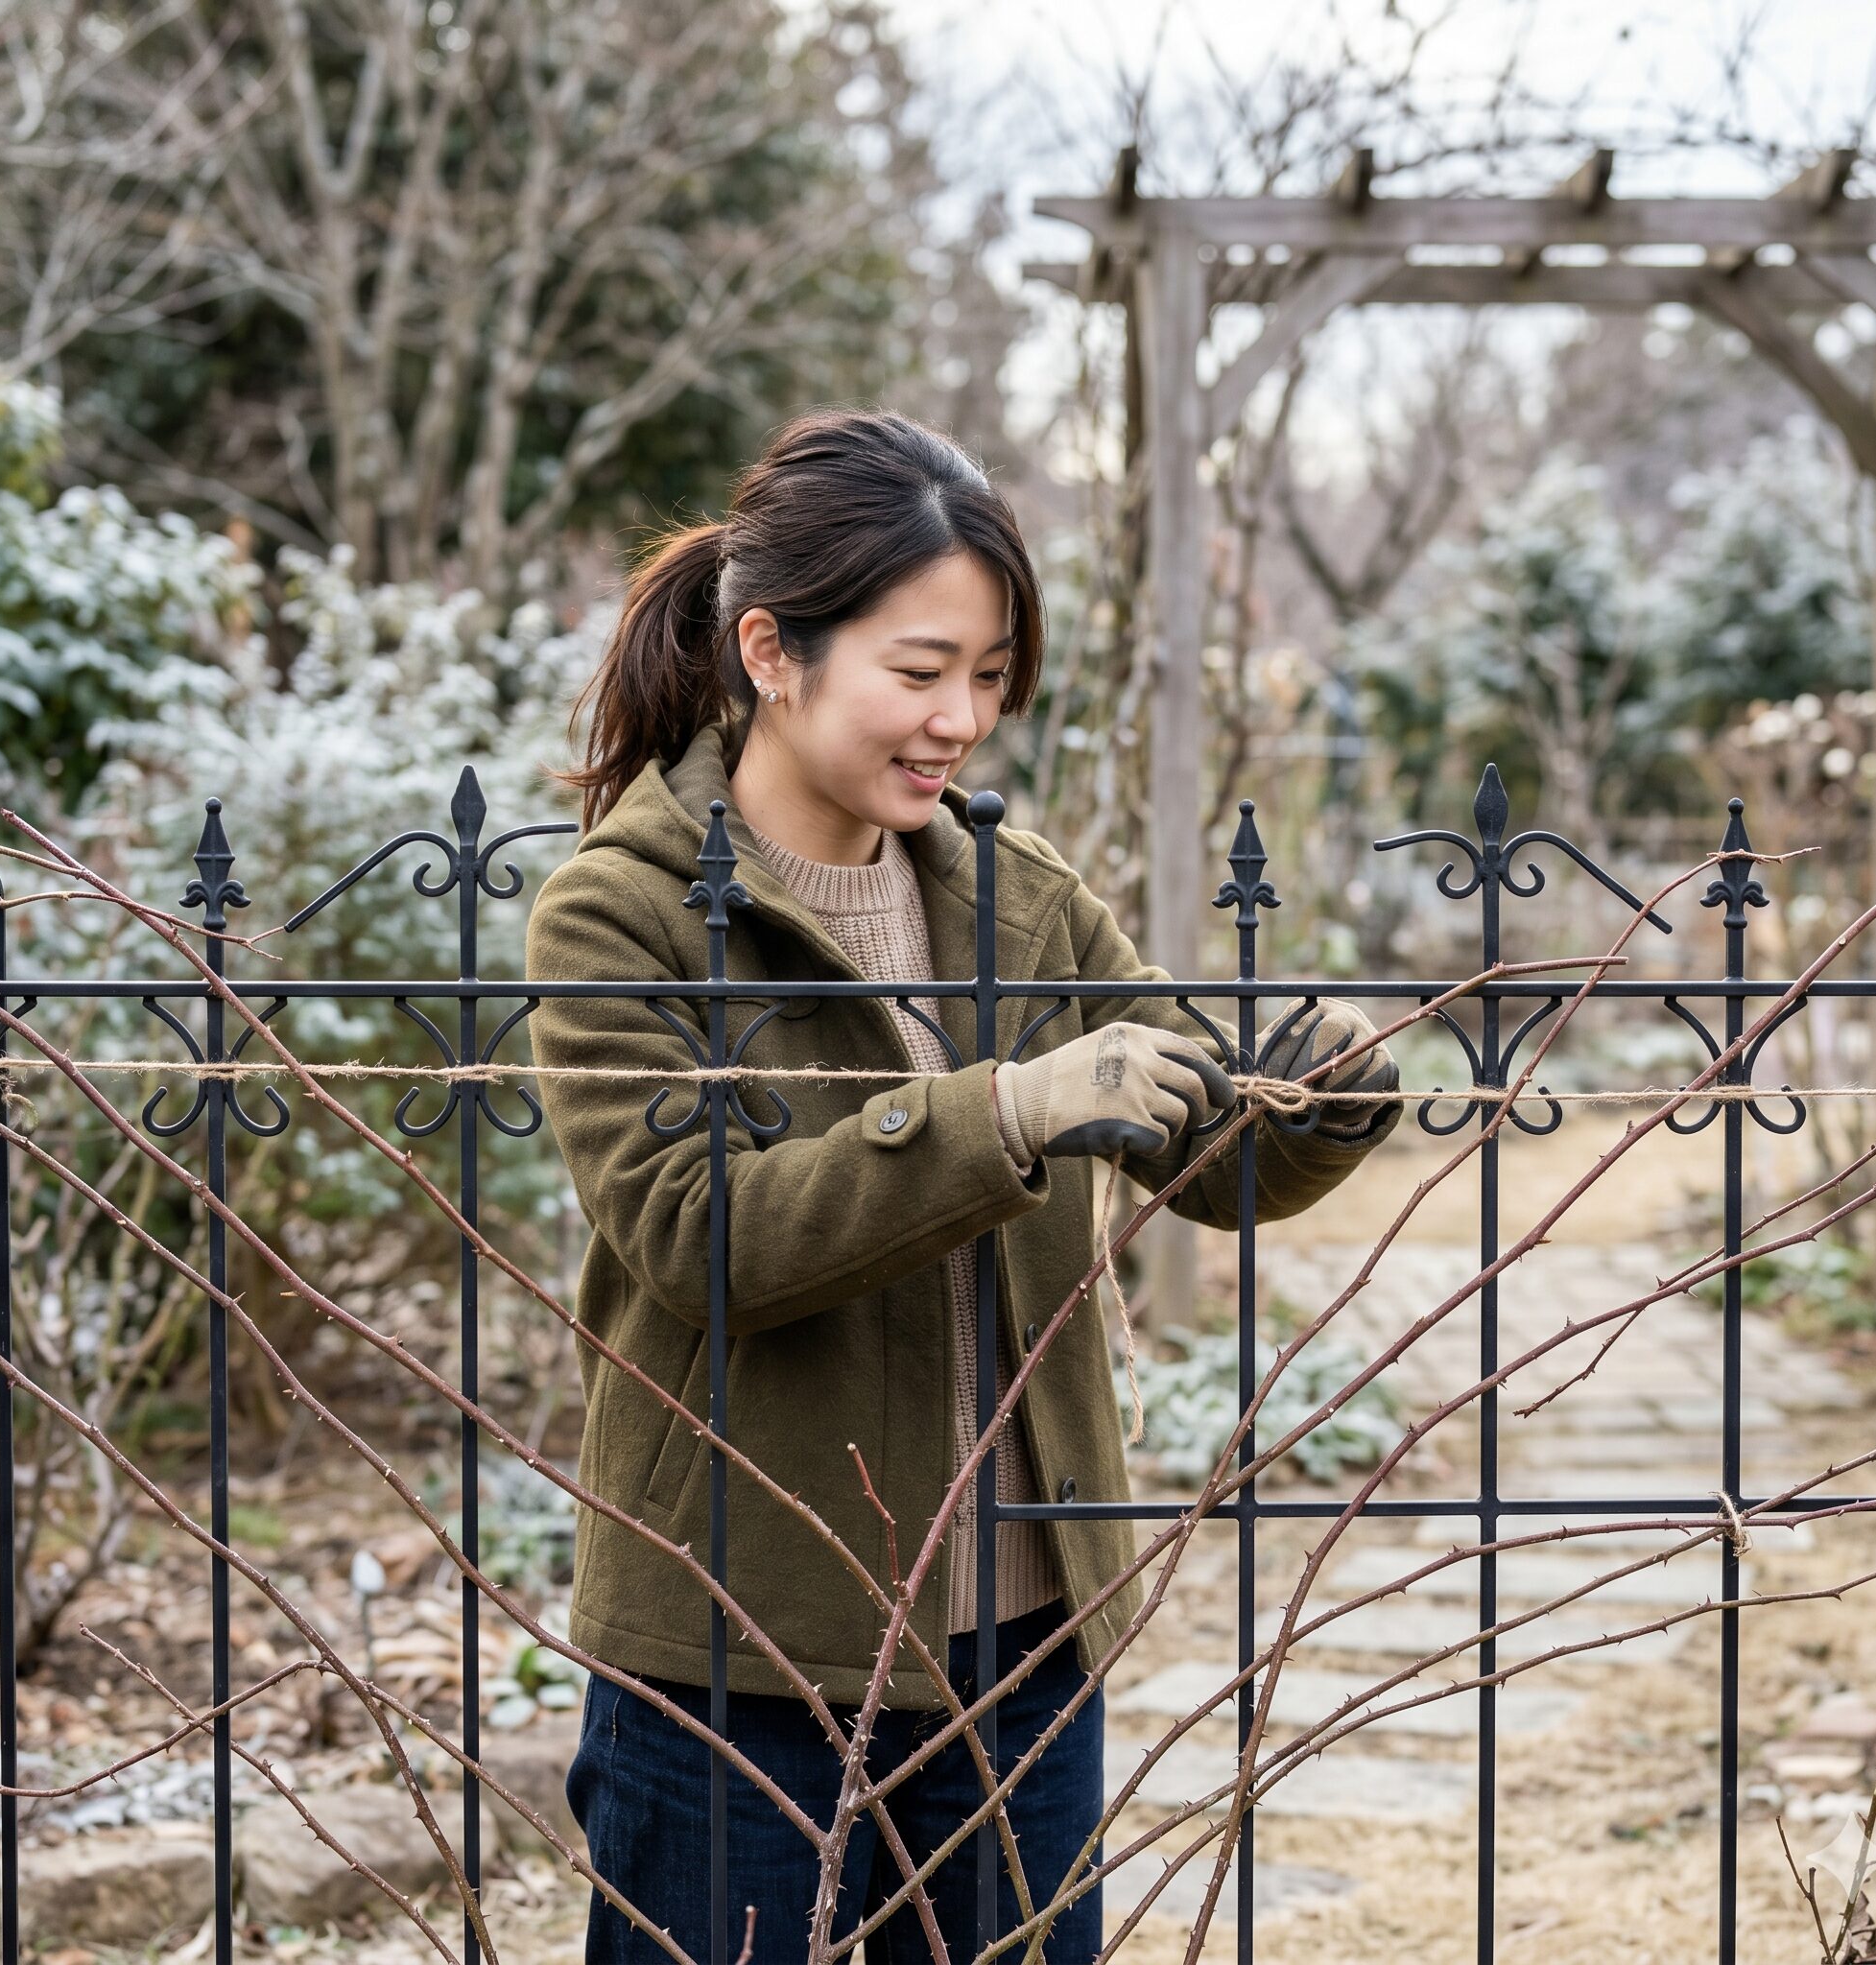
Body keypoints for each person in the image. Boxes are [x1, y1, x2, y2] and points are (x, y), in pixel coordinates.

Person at [524, 407, 1403, 1965]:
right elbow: (694, 1238)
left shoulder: (1018, 896)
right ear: (771, 653)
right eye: (919, 672)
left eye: (988, 679)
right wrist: (1001, 1112)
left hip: (1019, 1644)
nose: (958, 720)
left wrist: (1323, 1102)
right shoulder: (627, 913)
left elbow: (1201, 1149)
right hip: (737, 1646)